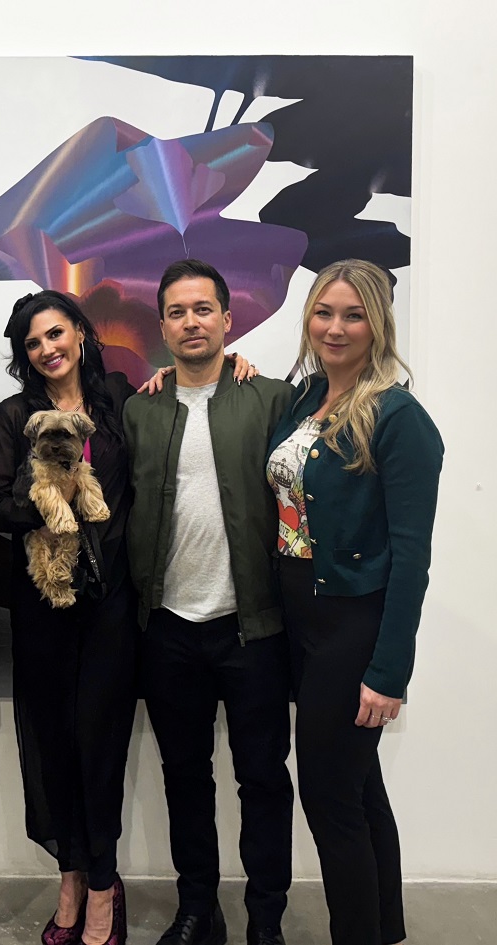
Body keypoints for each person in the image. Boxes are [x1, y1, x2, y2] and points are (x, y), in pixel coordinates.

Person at [266, 260, 443, 945]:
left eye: (353, 315)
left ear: (378, 324)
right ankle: (383, 929)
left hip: (352, 628)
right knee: (361, 788)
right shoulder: (304, 397)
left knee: (330, 799)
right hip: (301, 623)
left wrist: (389, 671)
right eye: (324, 312)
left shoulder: (400, 418)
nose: (335, 328)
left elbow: (412, 558)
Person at [124, 259, 295, 945]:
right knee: (184, 775)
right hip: (169, 628)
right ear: (162, 325)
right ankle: (198, 908)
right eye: (177, 311)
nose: (191, 321)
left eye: (203, 309)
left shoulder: (271, 399)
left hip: (253, 628)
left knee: (264, 779)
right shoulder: (141, 408)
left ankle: (266, 917)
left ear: (227, 318)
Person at [0, 290, 136, 945]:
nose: (47, 348)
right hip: (43, 604)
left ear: (78, 331)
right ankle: (69, 875)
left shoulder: (119, 397)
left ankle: (102, 884)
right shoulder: (14, 415)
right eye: (33, 342)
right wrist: (52, 502)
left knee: (100, 743)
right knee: (53, 743)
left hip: (112, 603)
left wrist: (234, 365)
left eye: (55, 333)